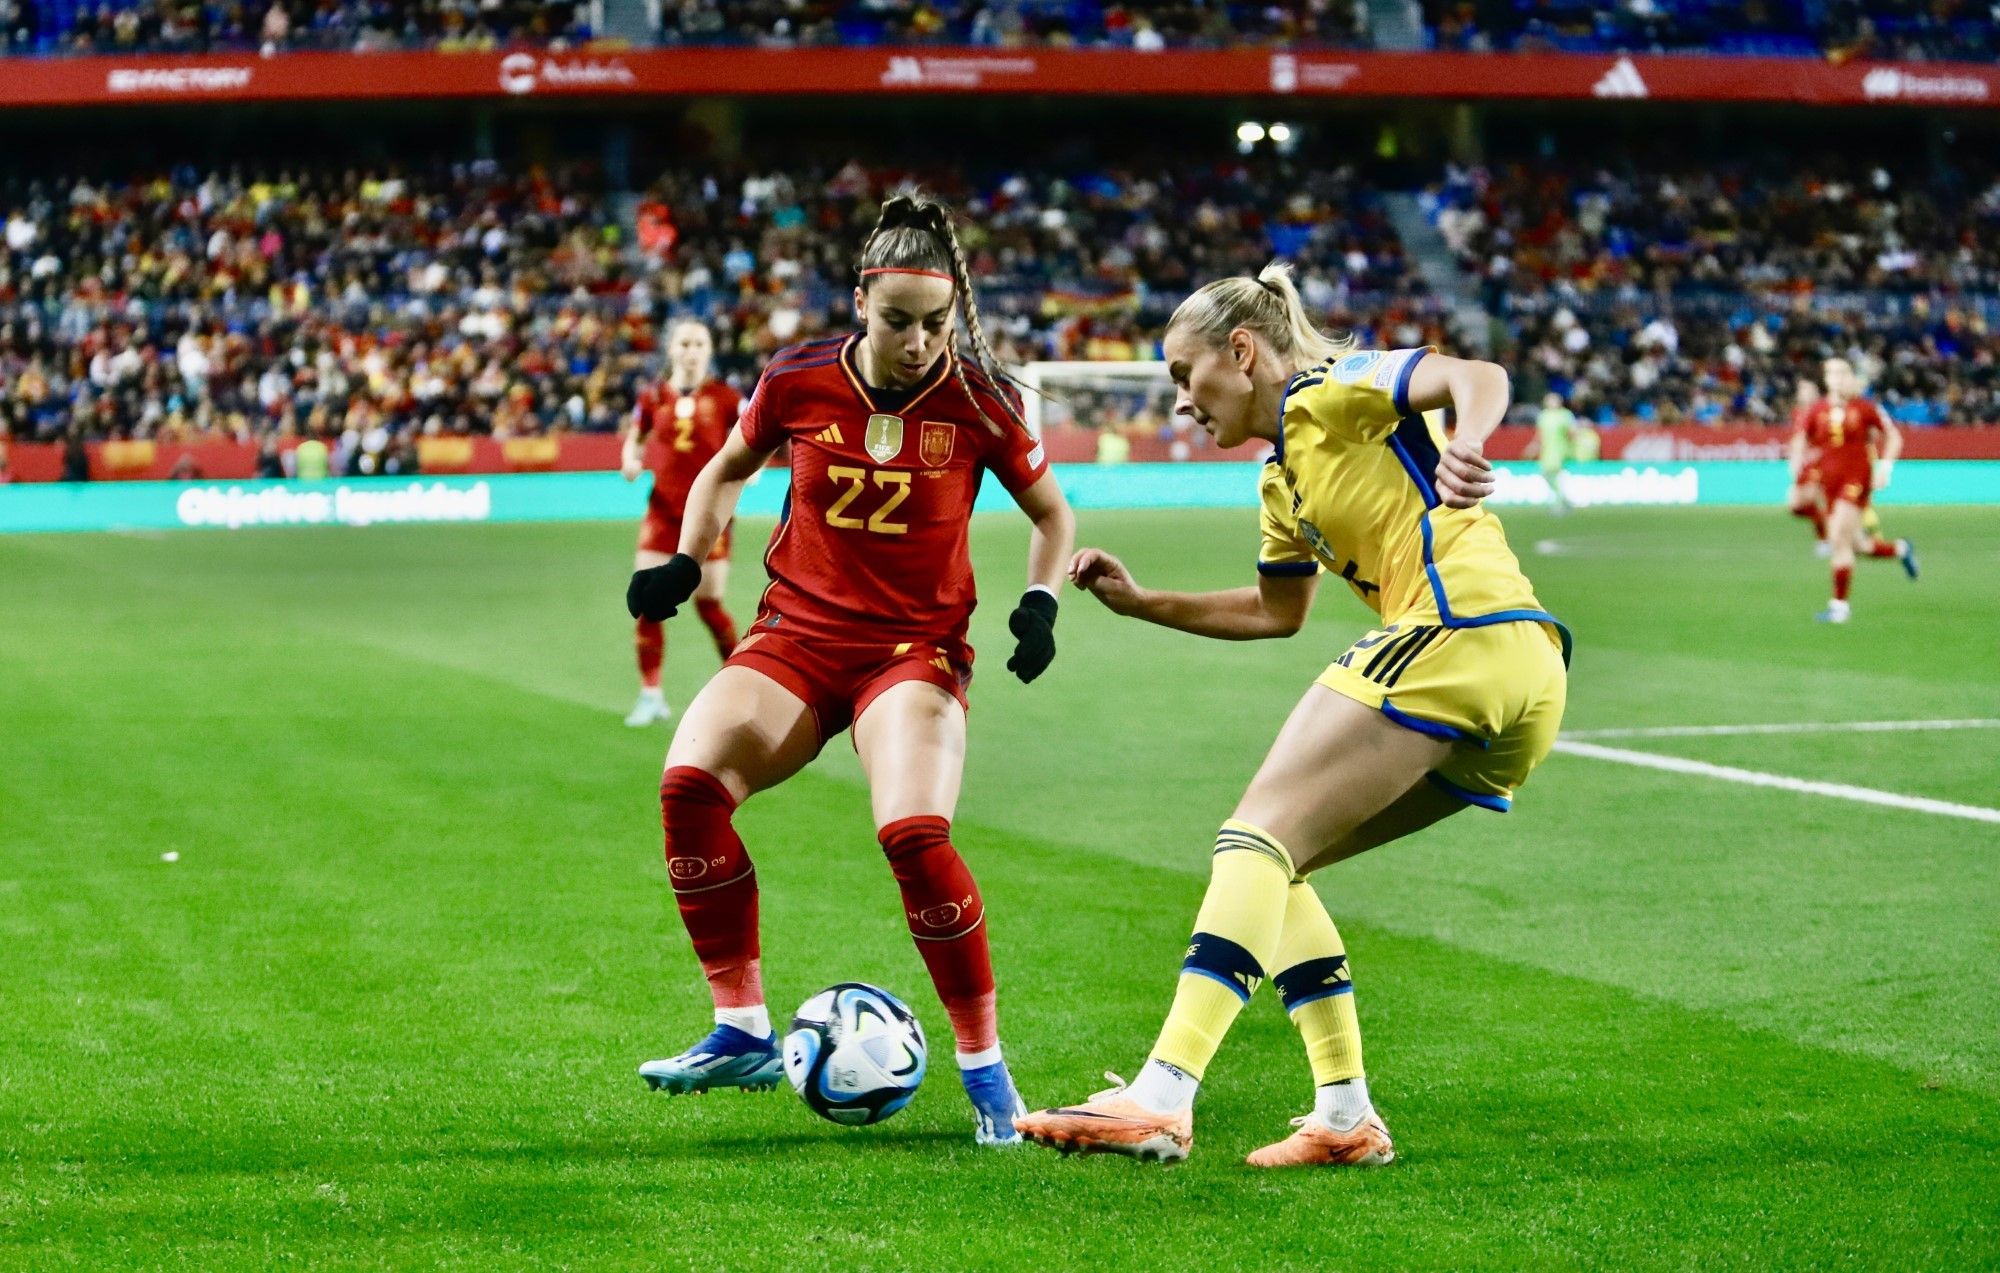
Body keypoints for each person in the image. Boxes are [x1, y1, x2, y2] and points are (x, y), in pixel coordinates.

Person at [1013, 263, 1569, 1168]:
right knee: (1281, 864)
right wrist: (1144, 601)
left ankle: (1160, 1096)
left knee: (1253, 840)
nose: (1181, 402)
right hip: (1522, 671)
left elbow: (1479, 376)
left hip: (1461, 628)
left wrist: (1468, 440)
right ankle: (1345, 1113)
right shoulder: (1281, 481)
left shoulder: (1328, 393)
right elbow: (1279, 611)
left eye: (1184, 376)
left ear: (1242, 353)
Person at [625, 193, 1077, 1146]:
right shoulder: (797, 377)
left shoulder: (983, 395)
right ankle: (741, 1029)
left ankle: (985, 1066)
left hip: (913, 650)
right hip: (794, 633)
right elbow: (724, 468)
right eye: (898, 322)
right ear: (862, 304)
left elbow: (1053, 515)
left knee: (914, 832)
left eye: (935, 324)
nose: (919, 343)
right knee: (688, 786)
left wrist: (1040, 602)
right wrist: (682, 556)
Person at [621, 319, 744, 727]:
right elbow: (635, 437)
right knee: (648, 603)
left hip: (710, 514)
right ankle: (650, 694)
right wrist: (630, 461)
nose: (691, 351)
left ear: (708, 351)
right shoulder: (653, 396)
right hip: (662, 511)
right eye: (684, 343)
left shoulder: (727, 397)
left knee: (709, 604)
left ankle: (742, 686)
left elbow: (756, 436)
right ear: (671, 350)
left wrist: (752, 467)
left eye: (699, 344)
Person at [1793, 358, 1916, 624]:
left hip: (1856, 480)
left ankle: (1839, 608)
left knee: (1837, 536)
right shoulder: (1818, 411)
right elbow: (1804, 441)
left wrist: (1885, 469)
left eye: (1842, 373)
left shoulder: (1865, 408)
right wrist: (1801, 470)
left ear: (1850, 377)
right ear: (1825, 380)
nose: (1837, 378)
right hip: (1830, 484)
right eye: (1831, 373)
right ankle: (1901, 549)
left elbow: (1894, 436)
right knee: (1856, 545)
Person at [1534, 391, 1575, 514]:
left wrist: (1571, 446)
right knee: (1546, 474)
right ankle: (1564, 499)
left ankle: (1559, 504)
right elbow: (1540, 434)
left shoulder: (1565, 415)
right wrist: (1535, 446)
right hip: (1547, 450)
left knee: (1554, 475)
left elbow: (1571, 432)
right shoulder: (1543, 415)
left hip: (1559, 449)